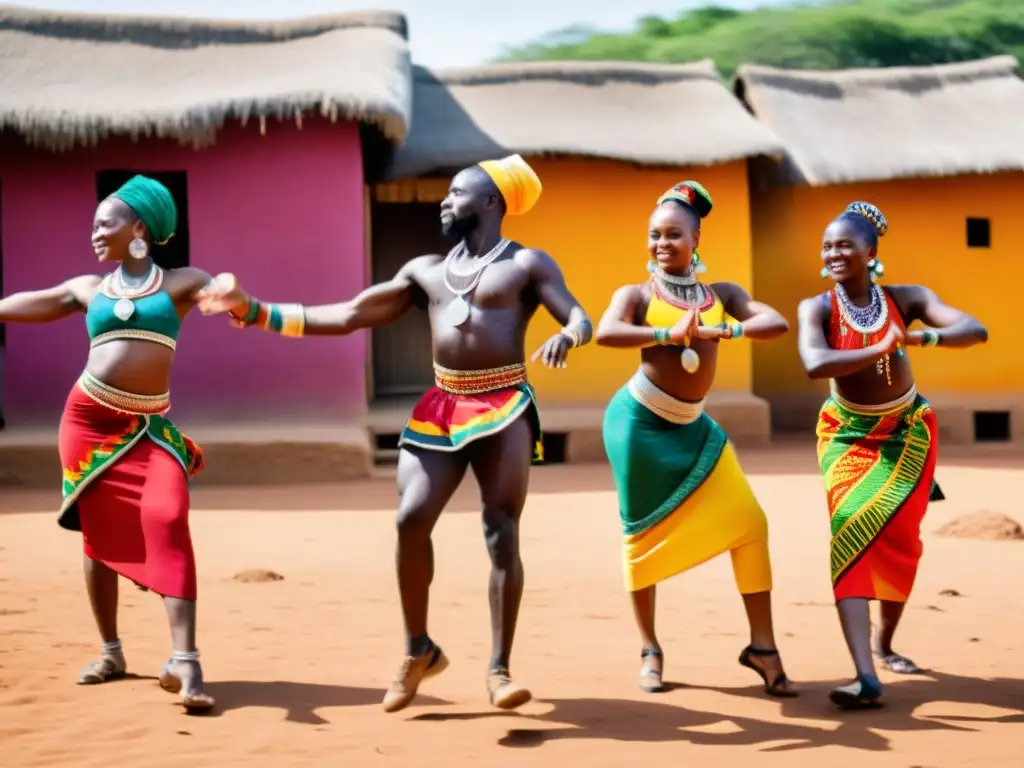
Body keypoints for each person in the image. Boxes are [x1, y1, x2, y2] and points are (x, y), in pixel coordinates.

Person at [196, 154, 592, 713]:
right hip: (442, 404)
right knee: (411, 518)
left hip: (503, 404)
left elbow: (578, 316)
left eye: (456, 193)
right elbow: (352, 314)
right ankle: (419, 649)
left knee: (501, 530)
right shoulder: (424, 271)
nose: (444, 201)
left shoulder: (527, 264)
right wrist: (256, 311)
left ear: (491, 202)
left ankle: (499, 670)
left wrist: (569, 338)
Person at [0, 176, 218, 712]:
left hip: (148, 428)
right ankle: (112, 652)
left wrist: (234, 294)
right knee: (96, 538)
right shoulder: (88, 289)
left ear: (138, 227)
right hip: (85, 422)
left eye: (105, 223)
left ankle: (185, 661)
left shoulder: (183, 283)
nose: (95, 232)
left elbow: (225, 294)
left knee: (168, 517)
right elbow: (30, 303)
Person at [595, 181, 797, 697]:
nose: (662, 243)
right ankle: (650, 649)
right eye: (654, 235)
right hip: (638, 426)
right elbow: (607, 332)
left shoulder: (722, 295)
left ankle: (763, 647)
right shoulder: (637, 295)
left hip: (694, 426)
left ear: (696, 238)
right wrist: (668, 335)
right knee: (640, 539)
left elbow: (774, 321)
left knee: (750, 522)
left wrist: (725, 331)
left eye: (673, 234)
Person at [796, 201, 987, 709]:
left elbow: (974, 329)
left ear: (871, 252)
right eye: (827, 245)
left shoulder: (908, 298)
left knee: (901, 542)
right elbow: (815, 362)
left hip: (908, 432)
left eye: (844, 245)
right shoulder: (816, 307)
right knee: (851, 528)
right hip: (847, 435)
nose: (833, 253)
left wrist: (922, 336)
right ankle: (864, 675)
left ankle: (885, 644)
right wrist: (881, 347)